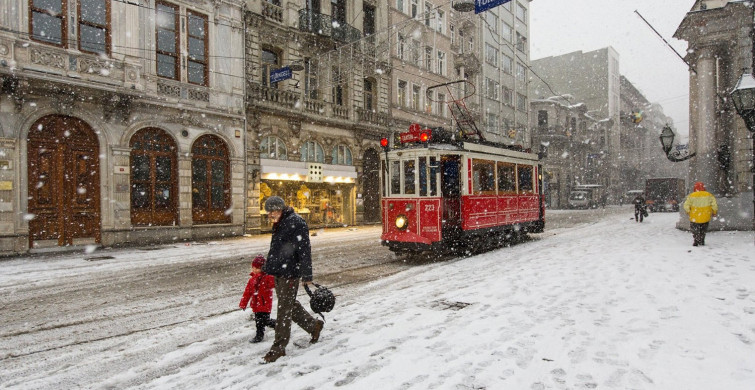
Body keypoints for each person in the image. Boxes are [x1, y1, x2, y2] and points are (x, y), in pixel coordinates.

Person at [260, 196, 324, 363]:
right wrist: (268, 266)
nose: (270, 215)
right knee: (288, 304)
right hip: (279, 272)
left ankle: (279, 347)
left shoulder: (297, 223)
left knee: (283, 310)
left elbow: (304, 250)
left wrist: (307, 274)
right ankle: (313, 326)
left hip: (290, 273)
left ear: (280, 209)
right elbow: (276, 248)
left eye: (272, 212)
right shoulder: (280, 223)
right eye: (268, 213)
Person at [239, 255, 276, 343]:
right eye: (253, 268)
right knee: (258, 322)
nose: (254, 270)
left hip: (265, 304)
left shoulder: (267, 278)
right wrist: (243, 303)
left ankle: (277, 324)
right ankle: (259, 336)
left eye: (257, 268)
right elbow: (247, 293)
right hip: (256, 305)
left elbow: (274, 283)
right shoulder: (252, 280)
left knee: (265, 321)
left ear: (263, 268)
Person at [683, 181, 718, 246]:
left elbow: (686, 205)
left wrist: (688, 211)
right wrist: (714, 212)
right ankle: (702, 240)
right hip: (706, 216)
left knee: (695, 229)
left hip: (694, 216)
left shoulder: (691, 195)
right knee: (703, 229)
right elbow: (714, 205)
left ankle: (696, 240)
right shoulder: (709, 195)